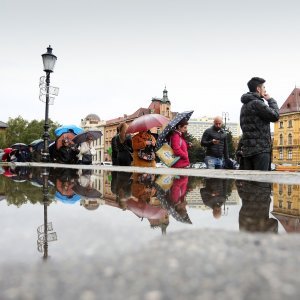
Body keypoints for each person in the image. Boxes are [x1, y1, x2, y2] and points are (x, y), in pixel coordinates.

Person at [240, 77, 279, 170]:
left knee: (249, 182)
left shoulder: (244, 106)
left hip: (247, 151)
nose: (265, 90)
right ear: (258, 89)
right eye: (264, 87)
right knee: (261, 182)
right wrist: (270, 100)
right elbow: (275, 116)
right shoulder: (257, 103)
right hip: (260, 150)